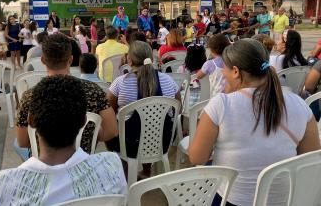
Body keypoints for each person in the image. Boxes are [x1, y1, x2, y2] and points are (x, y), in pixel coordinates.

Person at [188, 39, 320, 206]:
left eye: (225, 69)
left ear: (235, 71)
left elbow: (197, 157)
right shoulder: (299, 104)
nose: (223, 74)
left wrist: (227, 94)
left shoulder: (221, 105)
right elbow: (311, 160)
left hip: (234, 200)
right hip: (287, 199)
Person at [0, 76, 127, 205]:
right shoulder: (111, 166)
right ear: (83, 121)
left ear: (31, 121)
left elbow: (21, 143)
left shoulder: (0, 187)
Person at [16, 34, 118, 158]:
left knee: (16, 144)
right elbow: (111, 131)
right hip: (83, 158)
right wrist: (90, 133)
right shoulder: (93, 91)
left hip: (44, 160)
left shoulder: (30, 95)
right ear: (70, 60)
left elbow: (23, 142)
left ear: (43, 60)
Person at [107, 41, 180, 179]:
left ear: (129, 60)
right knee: (153, 124)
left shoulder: (121, 82)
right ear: (151, 59)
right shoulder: (168, 81)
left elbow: (109, 111)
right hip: (161, 142)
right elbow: (178, 109)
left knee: (113, 126)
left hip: (129, 145)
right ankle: (147, 171)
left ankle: (126, 172)